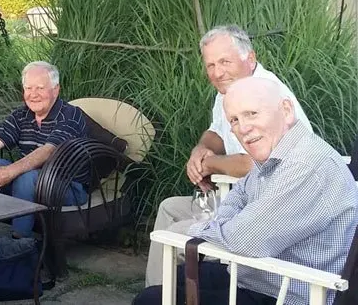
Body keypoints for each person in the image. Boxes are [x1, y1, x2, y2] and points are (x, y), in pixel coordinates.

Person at [135, 77, 357, 305]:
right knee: (175, 278)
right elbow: (237, 196)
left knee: (151, 300)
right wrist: (228, 223)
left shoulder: (305, 166)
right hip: (259, 277)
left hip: (291, 293)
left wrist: (204, 227)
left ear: (287, 110)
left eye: (252, 114)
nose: (243, 128)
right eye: (234, 120)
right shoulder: (276, 155)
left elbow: (244, 239)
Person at [144, 25, 313, 286]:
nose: (217, 72)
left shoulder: (266, 96)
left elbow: (257, 162)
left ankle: (163, 295)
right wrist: (200, 150)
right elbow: (217, 132)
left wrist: (209, 164)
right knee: (169, 208)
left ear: (251, 58)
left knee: (175, 236)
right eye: (210, 65)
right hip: (236, 194)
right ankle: (157, 292)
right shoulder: (230, 90)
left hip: (266, 206)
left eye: (224, 61)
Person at [0, 61, 89, 271]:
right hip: (30, 181)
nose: (33, 94)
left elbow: (48, 151)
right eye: (28, 88)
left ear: (55, 90)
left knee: (27, 177)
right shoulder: (22, 115)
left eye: (40, 88)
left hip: (67, 187)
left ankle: (20, 248)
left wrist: (10, 172)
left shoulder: (71, 115)